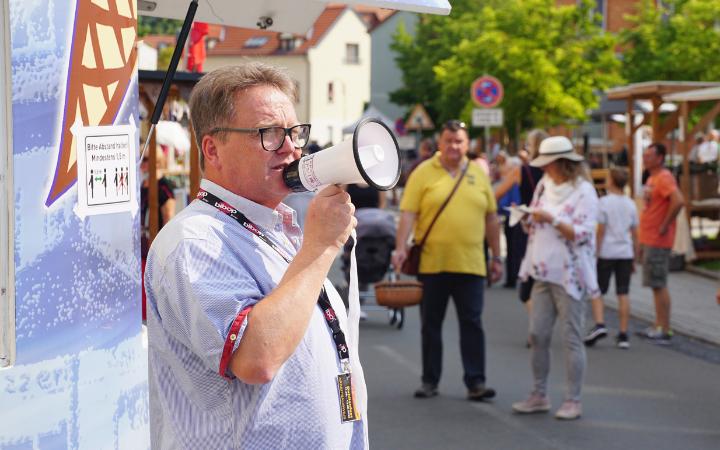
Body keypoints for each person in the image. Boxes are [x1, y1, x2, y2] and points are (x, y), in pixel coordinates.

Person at [144, 63, 368, 449]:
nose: (291, 148)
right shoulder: (193, 240)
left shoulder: (274, 227)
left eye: (295, 133)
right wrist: (320, 248)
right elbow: (256, 359)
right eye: (269, 134)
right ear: (212, 148)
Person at [392, 119, 503, 402]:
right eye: (449, 141)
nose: (454, 146)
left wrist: (497, 256)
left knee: (472, 323)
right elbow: (408, 213)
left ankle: (476, 381)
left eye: (459, 142)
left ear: (467, 145)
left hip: (472, 263)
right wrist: (400, 248)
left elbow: (491, 217)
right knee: (431, 325)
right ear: (439, 143)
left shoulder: (478, 174)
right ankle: (430, 380)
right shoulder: (423, 173)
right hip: (433, 263)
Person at [512, 135, 598, 421]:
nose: (543, 169)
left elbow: (585, 233)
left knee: (572, 338)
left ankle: (573, 399)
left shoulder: (584, 191)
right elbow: (535, 222)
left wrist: (552, 219)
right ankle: (539, 394)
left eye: (547, 164)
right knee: (537, 335)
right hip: (541, 269)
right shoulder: (543, 185)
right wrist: (529, 218)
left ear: (562, 164)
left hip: (569, 275)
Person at [494, 130, 547, 326]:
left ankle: (538, 325)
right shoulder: (555, 171)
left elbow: (496, 195)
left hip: (529, 230)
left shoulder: (522, 171)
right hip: (553, 232)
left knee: (527, 289)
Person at [583, 168, 639, 349]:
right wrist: (635, 255)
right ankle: (623, 334)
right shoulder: (631, 204)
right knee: (623, 292)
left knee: (598, 290)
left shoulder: (604, 203)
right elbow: (635, 232)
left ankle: (600, 323)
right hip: (625, 252)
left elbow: (601, 230)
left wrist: (596, 252)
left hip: (607, 250)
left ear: (611, 182)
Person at [636, 142, 684, 346]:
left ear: (660, 158)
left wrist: (665, 224)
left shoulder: (664, 177)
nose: (645, 159)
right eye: (644, 155)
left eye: (649, 156)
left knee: (659, 283)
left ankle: (664, 328)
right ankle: (658, 325)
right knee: (655, 284)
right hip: (649, 238)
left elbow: (678, 200)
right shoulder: (652, 178)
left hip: (658, 239)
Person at [140, 152, 176, 322]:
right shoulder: (143, 184)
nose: (142, 162)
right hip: (141, 245)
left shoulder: (164, 186)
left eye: (145, 158)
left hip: (154, 247)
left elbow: (169, 216)